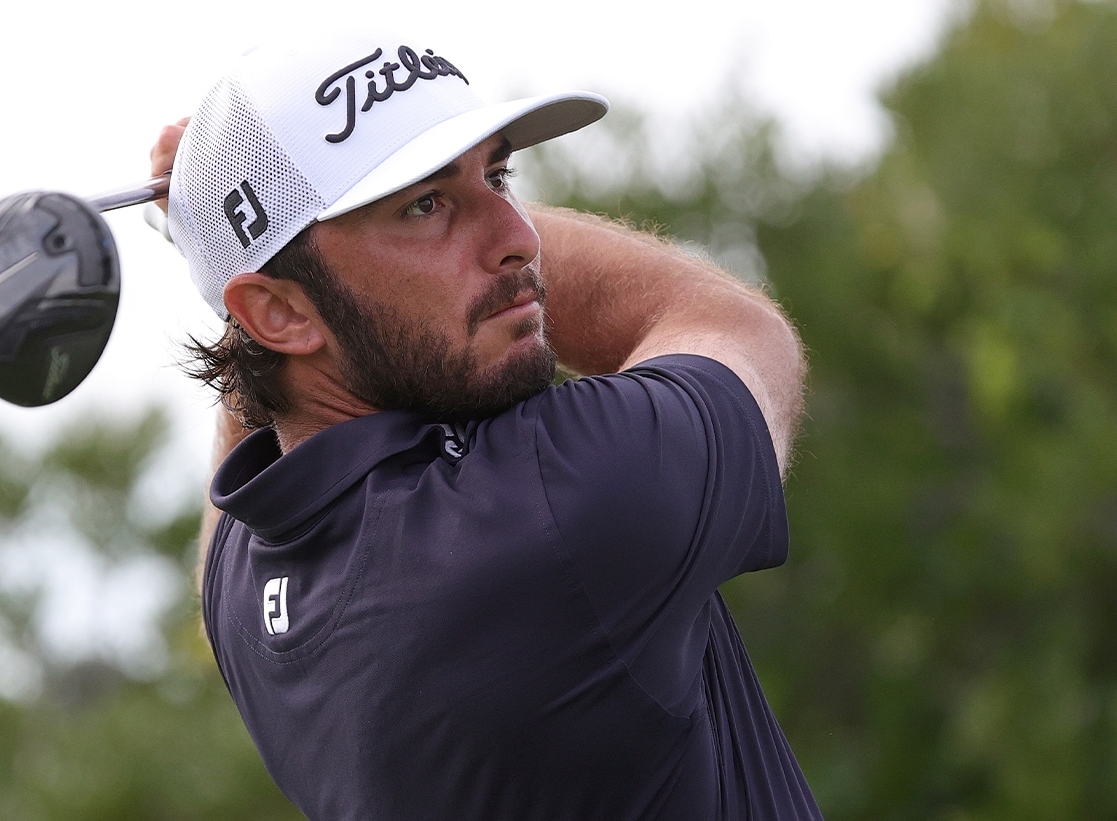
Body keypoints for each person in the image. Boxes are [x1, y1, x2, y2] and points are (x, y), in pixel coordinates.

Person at [150, 28, 818, 820]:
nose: (522, 238)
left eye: (499, 175)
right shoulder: (555, 501)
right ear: (282, 312)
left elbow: (260, 386)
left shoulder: (249, 595)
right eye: (425, 204)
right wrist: (225, 235)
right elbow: (734, 326)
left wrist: (222, 237)